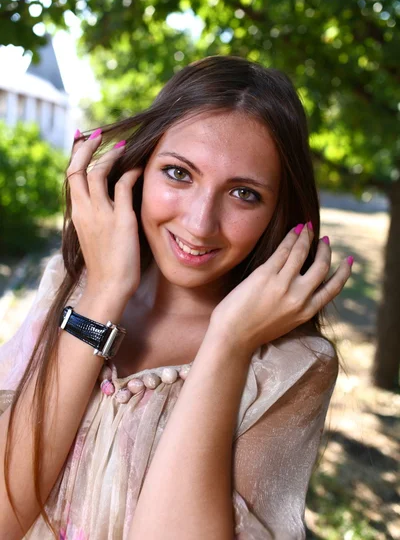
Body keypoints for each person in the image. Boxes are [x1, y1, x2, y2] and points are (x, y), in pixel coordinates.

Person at [0, 55, 352, 540]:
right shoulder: (71, 282)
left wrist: (228, 343)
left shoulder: (292, 364)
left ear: (279, 213)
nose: (199, 222)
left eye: (244, 194)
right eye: (179, 174)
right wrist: (103, 293)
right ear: (140, 169)